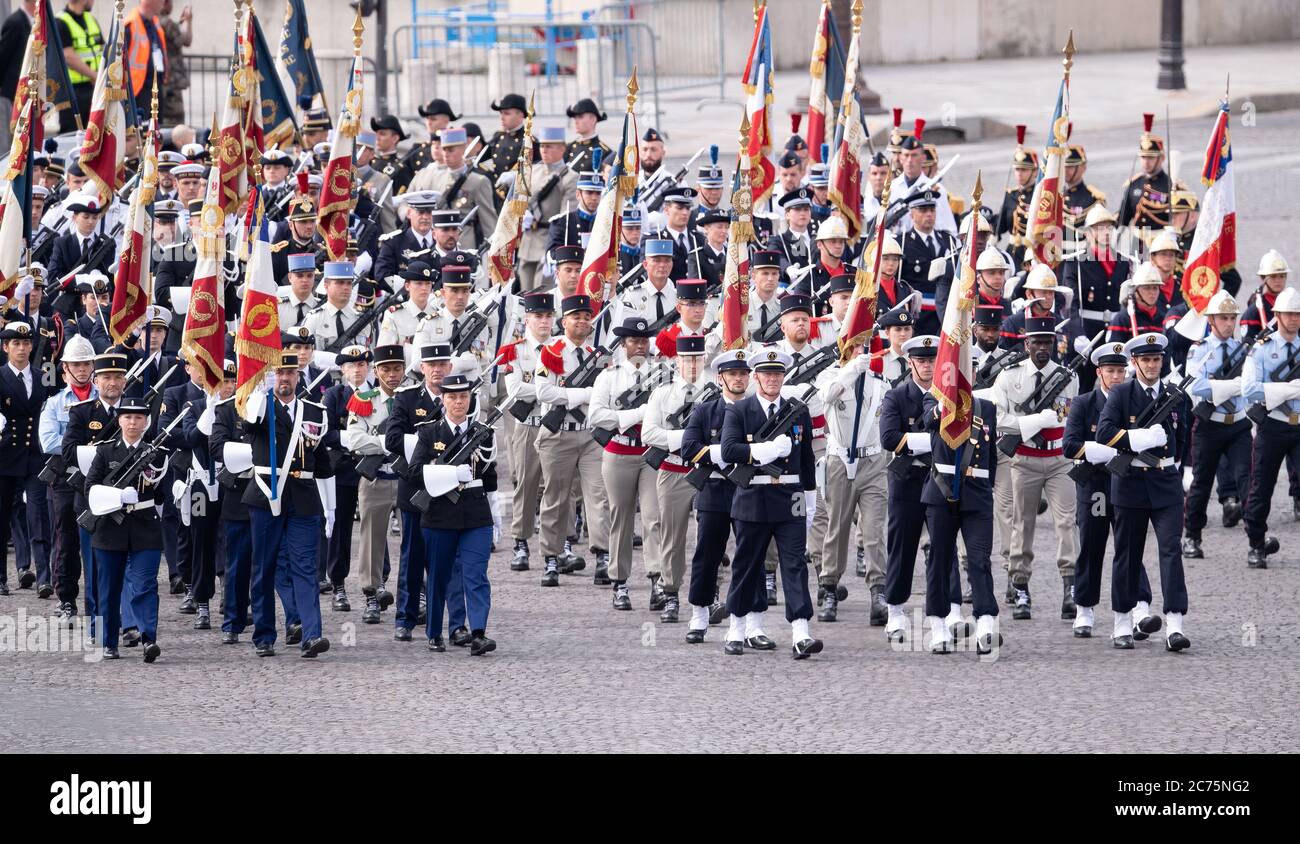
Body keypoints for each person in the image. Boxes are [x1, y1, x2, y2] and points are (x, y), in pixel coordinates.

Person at [719, 348, 822, 659]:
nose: (773, 379)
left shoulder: (797, 411)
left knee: (794, 565)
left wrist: (810, 496)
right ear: (756, 377)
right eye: (767, 374)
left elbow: (806, 459)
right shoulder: (740, 410)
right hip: (753, 496)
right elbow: (728, 450)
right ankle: (737, 627)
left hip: (790, 497)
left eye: (778, 374)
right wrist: (761, 452)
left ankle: (801, 632)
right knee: (746, 565)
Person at [1095, 333, 1190, 652]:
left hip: (1165, 481)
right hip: (1132, 481)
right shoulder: (1121, 394)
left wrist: (1182, 471)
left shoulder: (1175, 395)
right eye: (1146, 360)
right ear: (1134, 362)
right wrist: (1137, 440)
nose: (1152, 365)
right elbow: (1105, 432)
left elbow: (1184, 437)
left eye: (1157, 359)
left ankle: (1175, 624)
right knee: (1127, 554)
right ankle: (1122, 621)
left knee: (1171, 551)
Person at [239, 352, 333, 659]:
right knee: (264, 567)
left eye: (290, 373)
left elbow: (321, 463)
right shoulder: (259, 408)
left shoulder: (315, 412)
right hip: (267, 494)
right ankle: (264, 635)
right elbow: (249, 423)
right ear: (270, 376)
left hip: (303, 498)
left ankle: (311, 634)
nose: (284, 378)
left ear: (298, 376)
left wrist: (330, 507)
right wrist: (254, 386)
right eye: (278, 372)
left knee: (306, 568)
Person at [1064, 341, 1157, 639]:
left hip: (1127, 482)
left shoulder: (1135, 401)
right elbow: (1069, 446)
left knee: (1130, 547)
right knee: (1091, 543)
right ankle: (1085, 608)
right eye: (1111, 370)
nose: (1117, 376)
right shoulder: (1084, 403)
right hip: (1097, 484)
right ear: (1099, 372)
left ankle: (1140, 605)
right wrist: (1098, 450)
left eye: (1121, 370)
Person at [990, 315, 1078, 621]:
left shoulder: (1068, 376)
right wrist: (1030, 422)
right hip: (1024, 459)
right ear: (1026, 343)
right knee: (1022, 524)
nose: (1043, 348)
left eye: (1048, 342)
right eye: (1037, 342)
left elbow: (1070, 416)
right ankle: (1020, 585)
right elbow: (999, 419)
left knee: (1067, 522)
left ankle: (1070, 586)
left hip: (1058, 460)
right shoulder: (1008, 376)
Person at [407, 373, 498, 656]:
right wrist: (448, 473)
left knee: (476, 575)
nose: (459, 402)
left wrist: (496, 515)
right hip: (439, 514)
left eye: (463, 397)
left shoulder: (483, 433)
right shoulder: (429, 432)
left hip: (475, 513)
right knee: (439, 576)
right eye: (453, 397)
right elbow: (414, 472)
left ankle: (478, 633)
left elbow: (491, 479)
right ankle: (435, 632)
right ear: (443, 399)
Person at [532, 295, 612, 585]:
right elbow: (544, 393)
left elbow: (606, 395)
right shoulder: (550, 352)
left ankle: (603, 555)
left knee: (599, 495)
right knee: (555, 497)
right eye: (575, 316)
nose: (581, 321)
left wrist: (588, 397)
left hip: (590, 435)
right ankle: (551, 558)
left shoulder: (597, 355)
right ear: (563, 321)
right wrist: (584, 395)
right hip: (559, 434)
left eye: (586, 316)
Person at [881, 335, 956, 641]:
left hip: (938, 479)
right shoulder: (897, 396)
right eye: (922, 361)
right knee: (902, 544)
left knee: (944, 546)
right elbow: (888, 438)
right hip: (908, 479)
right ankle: (895, 610)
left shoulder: (949, 397)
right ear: (910, 362)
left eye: (932, 361)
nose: (927, 367)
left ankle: (948, 609)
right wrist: (932, 442)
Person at [919, 382, 1002, 655]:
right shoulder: (933, 401)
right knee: (940, 560)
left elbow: (991, 457)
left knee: (979, 559)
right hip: (942, 491)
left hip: (976, 494)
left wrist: (987, 488)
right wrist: (947, 404)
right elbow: (927, 422)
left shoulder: (985, 408)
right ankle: (939, 625)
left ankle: (986, 622)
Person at [588, 316, 664, 610]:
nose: (640, 346)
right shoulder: (608, 376)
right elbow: (596, 416)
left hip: (649, 453)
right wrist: (634, 415)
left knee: (654, 518)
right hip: (619, 452)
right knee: (620, 517)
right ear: (623, 344)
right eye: (634, 340)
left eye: (644, 341)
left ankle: (658, 578)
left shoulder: (662, 374)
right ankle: (619, 582)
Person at [83, 394, 167, 661]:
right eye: (128, 417)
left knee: (144, 585)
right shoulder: (105, 451)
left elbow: (162, 493)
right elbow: (90, 489)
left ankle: (148, 638)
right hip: (110, 528)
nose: (133, 422)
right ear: (119, 420)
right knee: (108, 588)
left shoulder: (157, 454)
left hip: (145, 527)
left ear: (146, 422)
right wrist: (118, 497)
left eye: (139, 417)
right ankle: (109, 641)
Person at [815, 332, 889, 625]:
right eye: (854, 345)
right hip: (839, 460)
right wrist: (850, 370)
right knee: (837, 526)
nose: (860, 350)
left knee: (873, 531)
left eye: (864, 345)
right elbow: (826, 397)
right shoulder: (830, 375)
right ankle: (829, 587)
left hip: (872, 460)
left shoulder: (880, 382)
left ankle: (877, 592)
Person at [386, 344, 453, 641]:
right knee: (412, 557)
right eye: (431, 364)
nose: (437, 369)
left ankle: (444, 622)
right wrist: (428, 449)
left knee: (446, 560)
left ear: (449, 367)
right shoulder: (407, 397)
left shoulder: (461, 396)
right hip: (416, 486)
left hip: (449, 489)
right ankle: (405, 617)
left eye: (442, 363)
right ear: (421, 368)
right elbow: (393, 438)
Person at [1182, 291, 1253, 559]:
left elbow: (1252, 385)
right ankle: (1192, 537)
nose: (1228, 323)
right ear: (1211, 320)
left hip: (1238, 424)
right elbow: (1193, 384)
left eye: (1232, 318)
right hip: (1209, 424)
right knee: (1201, 483)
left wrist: (1237, 387)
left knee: (1248, 480)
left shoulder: (1243, 350)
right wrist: (1230, 386)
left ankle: (1256, 538)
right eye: (1223, 318)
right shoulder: (1200, 349)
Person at [39, 334, 98, 619]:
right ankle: (66, 598)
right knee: (66, 539)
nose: (83, 368)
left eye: (86, 363)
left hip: (98, 477)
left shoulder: (103, 400)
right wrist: (81, 444)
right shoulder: (54, 404)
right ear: (65, 369)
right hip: (65, 478)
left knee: (100, 539)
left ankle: (97, 598)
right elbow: (47, 440)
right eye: (77, 364)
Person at [344, 344, 404, 624]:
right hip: (376, 476)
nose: (392, 375)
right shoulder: (364, 399)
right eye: (386, 369)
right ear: (376, 371)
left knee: (417, 538)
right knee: (371, 540)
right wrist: (384, 444)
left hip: (406, 479)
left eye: (397, 369)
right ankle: (371, 593)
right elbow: (354, 439)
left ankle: (416, 592)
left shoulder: (412, 398)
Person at [1241, 286, 1300, 569]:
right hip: (1273, 425)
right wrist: (1289, 390)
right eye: (1288, 314)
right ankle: (1256, 544)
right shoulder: (1262, 349)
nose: (1293, 319)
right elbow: (1249, 390)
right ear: (1277, 315)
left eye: (1297, 314)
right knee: (1261, 487)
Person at [498, 291, 555, 571]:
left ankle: (557, 546)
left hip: (556, 428)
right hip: (528, 426)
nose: (543, 321)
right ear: (527, 318)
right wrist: (550, 391)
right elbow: (515, 390)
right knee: (525, 485)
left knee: (557, 488)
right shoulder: (514, 351)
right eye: (538, 316)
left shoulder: (562, 349)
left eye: (547, 316)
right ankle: (520, 542)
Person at [0, 319, 51, 597]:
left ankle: (44, 576)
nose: (22, 348)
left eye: (26, 343)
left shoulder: (43, 374)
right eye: (16, 343)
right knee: (3, 515)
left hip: (34, 454)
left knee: (38, 514)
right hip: (6, 454)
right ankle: (1, 577)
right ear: (6, 347)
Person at [518, 126, 577, 291]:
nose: (544, 150)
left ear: (562, 148)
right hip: (528, 239)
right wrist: (522, 216)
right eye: (542, 146)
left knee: (541, 294)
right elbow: (521, 200)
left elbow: (567, 216)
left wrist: (555, 248)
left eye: (549, 146)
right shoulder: (532, 171)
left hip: (548, 240)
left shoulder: (570, 177)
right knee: (524, 295)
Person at [899, 190, 957, 336]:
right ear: (912, 214)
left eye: (932, 210)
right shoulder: (902, 243)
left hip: (947, 315)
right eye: (923, 210)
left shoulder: (949, 240)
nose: (929, 214)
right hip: (918, 317)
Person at [55, 0, 106, 132]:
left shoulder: (91, 19)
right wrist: (95, 75)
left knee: (94, 133)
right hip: (72, 92)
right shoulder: (61, 21)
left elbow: (103, 49)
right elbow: (68, 56)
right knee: (73, 135)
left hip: (94, 89)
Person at [1116, 114, 1172, 231]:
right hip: (1137, 243)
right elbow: (1123, 220)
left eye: (1151, 158)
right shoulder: (1134, 184)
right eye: (1143, 157)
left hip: (1161, 243)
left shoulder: (1170, 184)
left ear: (1162, 158)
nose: (1146, 162)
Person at [996, 126, 1036, 268]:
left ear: (1034, 172)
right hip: (1012, 253)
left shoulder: (1039, 195)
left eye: (1024, 170)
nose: (1019, 174)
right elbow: (1001, 223)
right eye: (1017, 170)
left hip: (1032, 253)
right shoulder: (1011, 195)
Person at [0, 1, 36, 151]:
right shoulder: (15, 22)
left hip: (28, 94)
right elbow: (3, 58)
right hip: (12, 94)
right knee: (11, 141)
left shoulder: (36, 23)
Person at [122, 0, 167, 117]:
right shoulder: (131, 24)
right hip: (138, 91)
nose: (164, 2)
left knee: (156, 129)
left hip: (156, 88)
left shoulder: (155, 21)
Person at [156, 1, 190, 124]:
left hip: (160, 77)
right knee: (176, 119)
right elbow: (186, 40)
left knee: (160, 117)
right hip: (172, 79)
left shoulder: (153, 20)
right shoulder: (167, 23)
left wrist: (180, 23)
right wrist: (188, 22)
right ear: (164, 3)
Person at [564, 98, 612, 174]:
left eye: (580, 117)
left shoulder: (604, 152)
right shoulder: (570, 147)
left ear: (593, 120)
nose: (576, 121)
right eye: (574, 117)